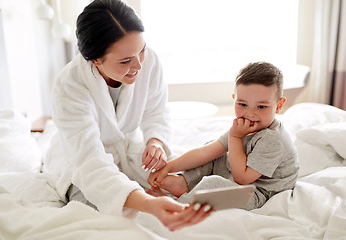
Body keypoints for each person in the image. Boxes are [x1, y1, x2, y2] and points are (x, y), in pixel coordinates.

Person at [43, 0, 212, 231]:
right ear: (94, 59)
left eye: (141, 50)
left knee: (180, 178)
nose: (139, 65)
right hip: (81, 158)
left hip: (128, 146)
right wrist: (149, 204)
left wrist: (155, 141)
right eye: (125, 61)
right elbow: (90, 163)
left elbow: (156, 111)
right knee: (94, 211)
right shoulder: (69, 86)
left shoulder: (148, 60)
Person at [148, 62, 299, 210]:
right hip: (240, 174)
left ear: (279, 105)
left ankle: (178, 204)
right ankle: (183, 182)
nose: (250, 114)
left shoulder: (273, 139)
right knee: (212, 153)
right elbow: (205, 152)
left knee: (213, 184)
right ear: (234, 99)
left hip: (258, 193)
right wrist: (168, 167)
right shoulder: (245, 126)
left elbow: (242, 179)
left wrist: (235, 138)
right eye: (242, 104)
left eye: (261, 107)